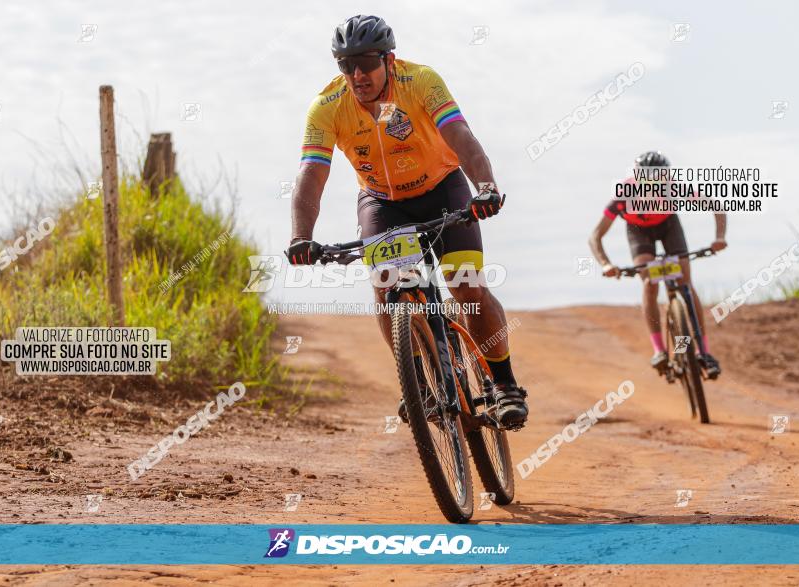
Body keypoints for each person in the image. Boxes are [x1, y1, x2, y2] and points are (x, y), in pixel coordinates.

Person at [285, 14, 528, 428]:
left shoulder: (421, 82)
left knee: (467, 285)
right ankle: (417, 385)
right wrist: (300, 237)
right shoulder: (327, 108)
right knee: (386, 286)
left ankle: (504, 384)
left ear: (389, 59)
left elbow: (461, 138)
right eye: (346, 65)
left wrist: (485, 187)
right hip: (383, 202)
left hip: (443, 190)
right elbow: (312, 174)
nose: (357, 74)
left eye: (365, 62)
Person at [588, 150, 726, 378]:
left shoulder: (675, 188)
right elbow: (595, 236)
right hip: (639, 232)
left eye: (660, 178)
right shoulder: (623, 196)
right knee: (650, 284)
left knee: (685, 285)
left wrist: (719, 237)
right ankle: (659, 350)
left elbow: (715, 206)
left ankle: (704, 351)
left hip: (668, 225)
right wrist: (605, 264)